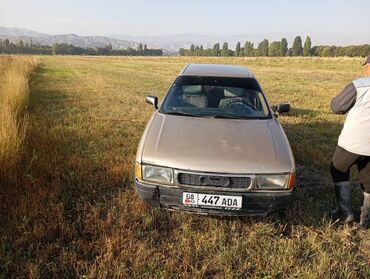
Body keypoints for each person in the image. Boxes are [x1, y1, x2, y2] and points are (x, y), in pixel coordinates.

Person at [330, 55, 370, 227]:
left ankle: (345, 212)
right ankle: (366, 219)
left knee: (338, 169)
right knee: (369, 180)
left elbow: (337, 107)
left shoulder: (359, 86)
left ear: (369, 67)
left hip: (353, 143)